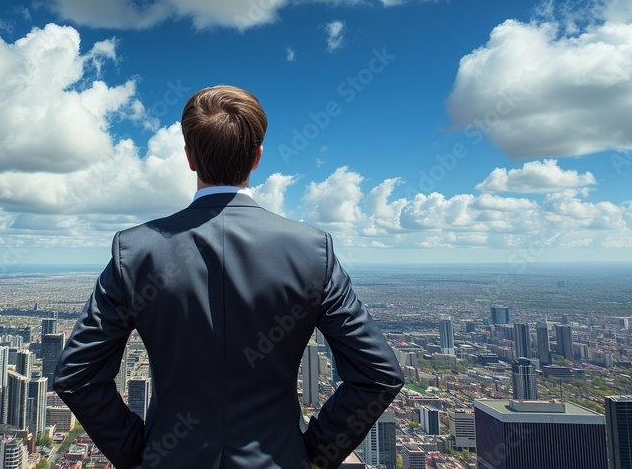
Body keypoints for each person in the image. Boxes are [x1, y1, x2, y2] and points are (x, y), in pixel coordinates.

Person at [52, 85, 403, 468]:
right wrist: (311, 456)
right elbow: (378, 374)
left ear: (189, 158)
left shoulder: (136, 252)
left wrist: (141, 454)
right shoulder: (311, 250)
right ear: (257, 157)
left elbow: (77, 376)